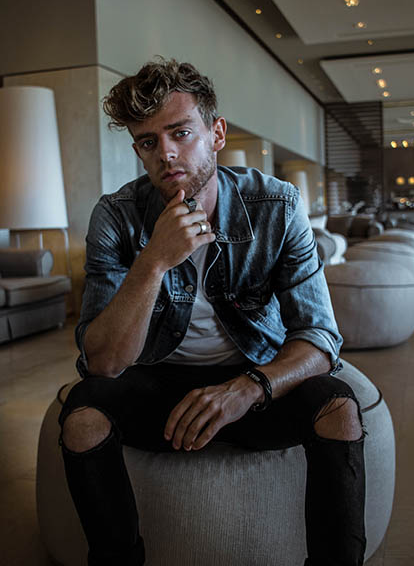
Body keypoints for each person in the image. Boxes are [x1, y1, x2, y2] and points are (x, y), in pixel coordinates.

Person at [59, 58, 366, 566]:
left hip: (255, 376)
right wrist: (154, 261)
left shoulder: (277, 205)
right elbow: (105, 363)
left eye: (180, 133)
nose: (166, 153)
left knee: (339, 408)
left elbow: (319, 337)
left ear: (216, 133)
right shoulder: (116, 215)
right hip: (156, 379)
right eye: (148, 142)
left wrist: (248, 388)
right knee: (83, 416)